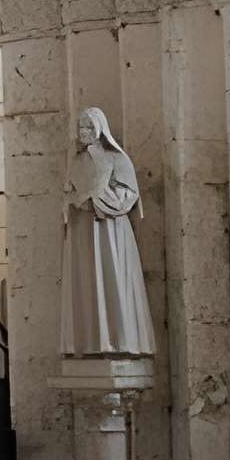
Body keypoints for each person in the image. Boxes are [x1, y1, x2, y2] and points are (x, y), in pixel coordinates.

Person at [61, 107, 154, 356]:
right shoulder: (76, 162)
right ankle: (87, 342)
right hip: (83, 228)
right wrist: (73, 200)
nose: (84, 131)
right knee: (86, 279)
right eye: (81, 126)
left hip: (109, 228)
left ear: (100, 128)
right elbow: (68, 191)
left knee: (112, 277)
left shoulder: (116, 158)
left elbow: (129, 194)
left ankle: (119, 340)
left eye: (90, 126)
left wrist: (98, 200)